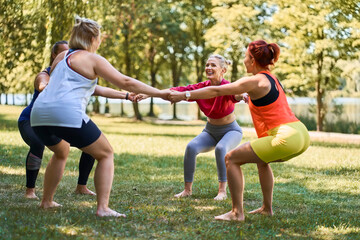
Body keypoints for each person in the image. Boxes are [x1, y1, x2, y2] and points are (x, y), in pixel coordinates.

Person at [30, 16, 169, 217]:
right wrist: (161, 93)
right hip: (65, 113)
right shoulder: (93, 59)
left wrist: (127, 96)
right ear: (95, 38)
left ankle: (46, 201)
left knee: (61, 151)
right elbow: (125, 80)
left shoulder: (61, 57)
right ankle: (103, 208)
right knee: (105, 154)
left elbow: (92, 88)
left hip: (39, 114)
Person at [169, 40, 310, 221]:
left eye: (245, 57)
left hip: (285, 136)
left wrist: (185, 95)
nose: (243, 61)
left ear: (252, 59)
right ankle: (267, 208)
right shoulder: (272, 78)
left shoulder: (254, 81)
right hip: (300, 133)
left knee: (231, 158)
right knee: (262, 161)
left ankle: (237, 213)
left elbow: (216, 91)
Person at [18, 41, 96, 199]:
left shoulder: (70, 76)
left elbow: (94, 90)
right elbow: (42, 84)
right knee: (38, 143)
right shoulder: (44, 74)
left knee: (93, 143)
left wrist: (126, 95)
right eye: (64, 52)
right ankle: (30, 191)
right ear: (55, 55)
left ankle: (81, 186)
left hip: (55, 122)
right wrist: (49, 87)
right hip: (31, 121)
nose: (68, 55)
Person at [169, 54, 245, 200]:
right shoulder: (200, 88)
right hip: (210, 131)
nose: (209, 68)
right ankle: (187, 190)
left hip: (231, 130)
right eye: (207, 65)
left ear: (223, 70)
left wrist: (243, 96)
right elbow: (177, 90)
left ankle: (222, 191)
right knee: (191, 147)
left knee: (221, 149)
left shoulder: (227, 87)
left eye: (213, 65)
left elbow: (237, 94)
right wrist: (147, 93)